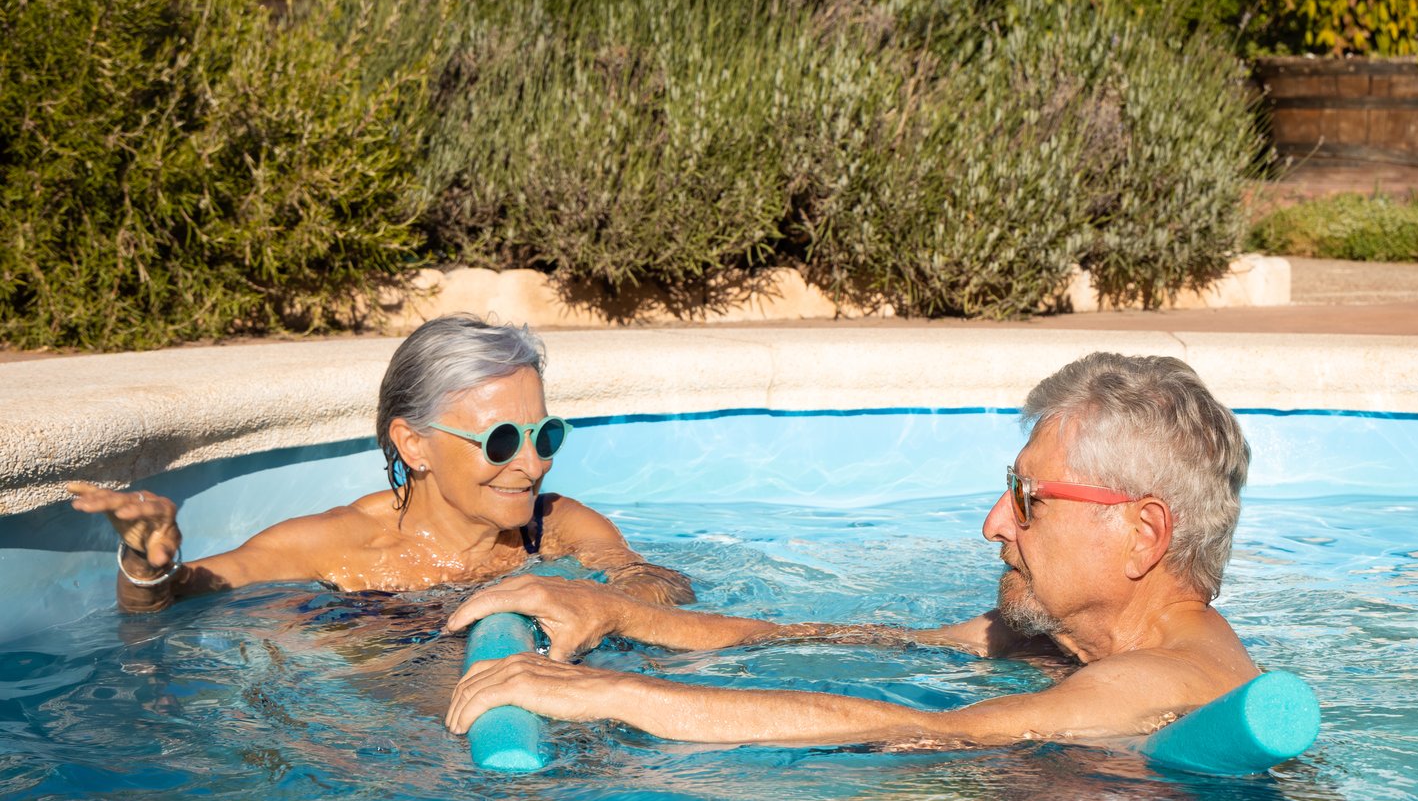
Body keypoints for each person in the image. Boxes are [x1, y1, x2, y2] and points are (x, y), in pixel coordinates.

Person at [443, 351, 1258, 747]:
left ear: (1142, 534)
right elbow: (832, 640)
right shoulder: (1056, 640)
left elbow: (932, 733)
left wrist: (610, 694)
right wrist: (616, 613)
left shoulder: (1159, 680)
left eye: (1027, 499)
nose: (993, 524)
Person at [66, 316, 693, 613]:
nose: (532, 466)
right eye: (502, 441)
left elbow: (661, 586)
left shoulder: (556, 528)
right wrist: (144, 563)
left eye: (544, 435)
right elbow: (167, 602)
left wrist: (590, 599)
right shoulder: (333, 547)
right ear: (413, 445)